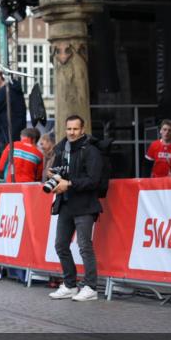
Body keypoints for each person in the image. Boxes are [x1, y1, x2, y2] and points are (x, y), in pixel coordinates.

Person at [47, 115, 104, 303]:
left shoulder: (91, 151)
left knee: (84, 246)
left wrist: (69, 184)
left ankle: (91, 287)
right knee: (60, 245)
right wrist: (53, 177)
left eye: (75, 129)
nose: (71, 132)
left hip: (85, 205)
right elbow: (58, 173)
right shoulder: (62, 149)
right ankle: (70, 285)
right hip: (65, 204)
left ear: (82, 130)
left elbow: (94, 180)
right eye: (69, 129)